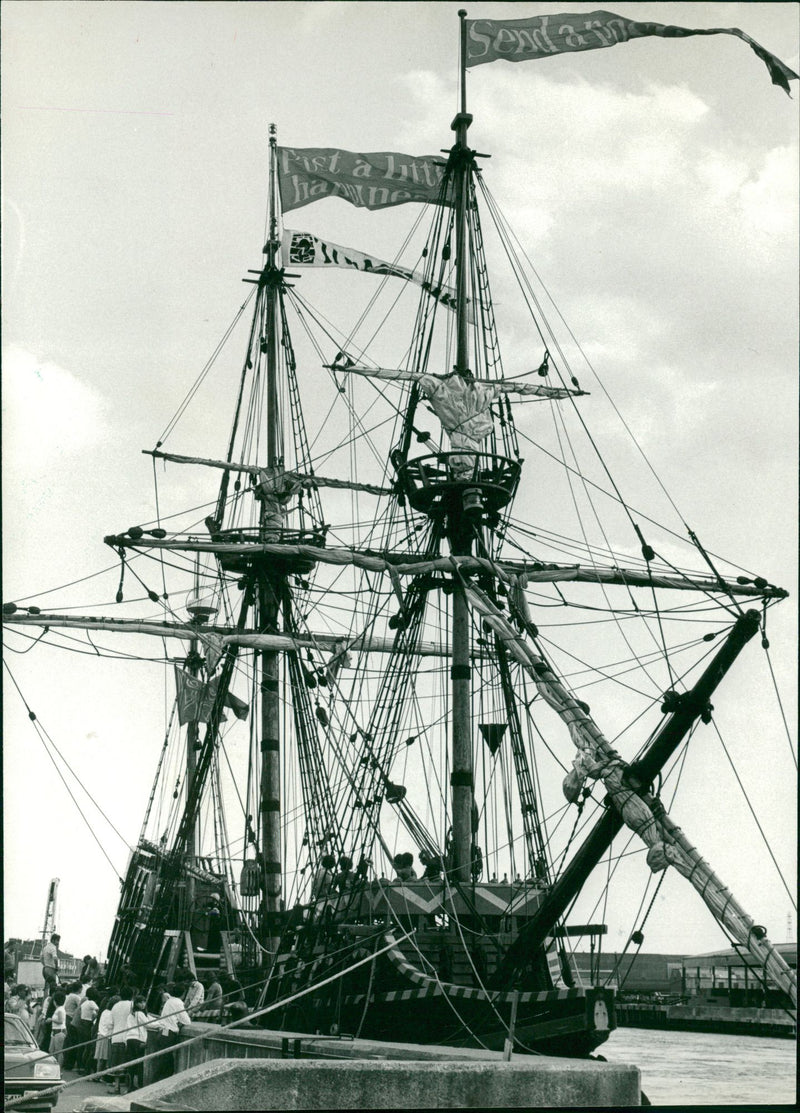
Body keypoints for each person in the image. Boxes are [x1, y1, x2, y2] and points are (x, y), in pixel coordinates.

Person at [153, 984, 191, 1080]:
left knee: (163, 1061)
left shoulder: (169, 1001)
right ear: (183, 994)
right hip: (169, 1033)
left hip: (163, 1031)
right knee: (166, 1064)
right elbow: (187, 1021)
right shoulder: (178, 1002)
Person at [108, 987, 134, 1093]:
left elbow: (110, 1024)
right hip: (128, 1037)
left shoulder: (115, 1006)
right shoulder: (132, 1005)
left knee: (116, 1064)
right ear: (132, 995)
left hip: (115, 1037)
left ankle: (116, 1087)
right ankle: (129, 1088)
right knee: (129, 1063)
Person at [124, 995, 152, 1091]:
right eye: (141, 1002)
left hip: (129, 1039)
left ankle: (130, 1085)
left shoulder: (131, 1014)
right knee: (139, 1063)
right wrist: (161, 1024)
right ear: (136, 1004)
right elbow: (148, 1024)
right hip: (138, 1039)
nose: (143, 1004)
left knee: (132, 1062)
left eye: (144, 1002)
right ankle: (139, 1084)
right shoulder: (140, 1013)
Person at [72, 987, 100, 1073]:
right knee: (88, 1047)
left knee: (81, 1045)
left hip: (82, 1024)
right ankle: (86, 1067)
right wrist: (94, 1017)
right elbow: (98, 1011)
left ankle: (80, 1066)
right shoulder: (92, 1003)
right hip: (88, 1025)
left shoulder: (84, 1003)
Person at [94, 994, 118, 1080]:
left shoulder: (105, 1011)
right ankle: (99, 1076)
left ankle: (98, 1075)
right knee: (103, 1058)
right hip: (105, 1036)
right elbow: (110, 1025)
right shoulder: (110, 1013)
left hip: (101, 1034)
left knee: (100, 1058)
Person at [61, 981, 84, 1070]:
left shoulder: (68, 996)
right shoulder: (76, 997)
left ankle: (65, 1061)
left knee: (67, 1041)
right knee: (72, 1041)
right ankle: (69, 1063)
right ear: (79, 989)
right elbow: (81, 1007)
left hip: (66, 1017)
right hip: (71, 1018)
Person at [49, 990, 68, 1058]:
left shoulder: (60, 1010)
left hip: (59, 1031)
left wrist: (51, 1019)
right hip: (55, 1031)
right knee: (51, 1050)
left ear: (55, 1001)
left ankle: (59, 1066)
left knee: (58, 1051)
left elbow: (61, 1021)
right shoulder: (58, 1009)